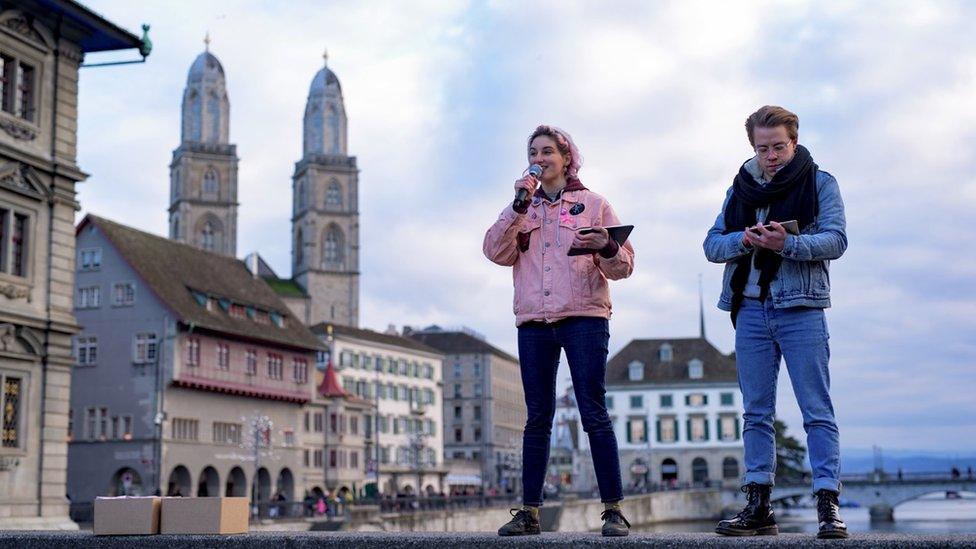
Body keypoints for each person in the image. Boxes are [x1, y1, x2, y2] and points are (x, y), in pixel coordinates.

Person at [704, 106, 848, 540]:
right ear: (753, 146)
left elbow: (837, 239)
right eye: (762, 148)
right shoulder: (740, 188)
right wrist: (744, 239)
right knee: (756, 413)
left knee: (816, 411)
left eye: (778, 146)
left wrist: (789, 243)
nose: (770, 156)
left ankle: (827, 504)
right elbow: (712, 245)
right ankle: (759, 504)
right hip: (749, 308)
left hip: (801, 307)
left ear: (795, 142)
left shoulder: (820, 182)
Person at [484, 125, 635, 537]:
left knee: (592, 409)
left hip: (585, 316)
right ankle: (529, 512)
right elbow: (495, 251)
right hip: (534, 320)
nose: (540, 157)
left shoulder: (593, 204)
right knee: (538, 417)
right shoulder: (523, 209)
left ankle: (613, 510)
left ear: (567, 159)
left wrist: (607, 245)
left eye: (548, 150)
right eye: (533, 151)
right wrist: (516, 206)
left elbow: (623, 267)